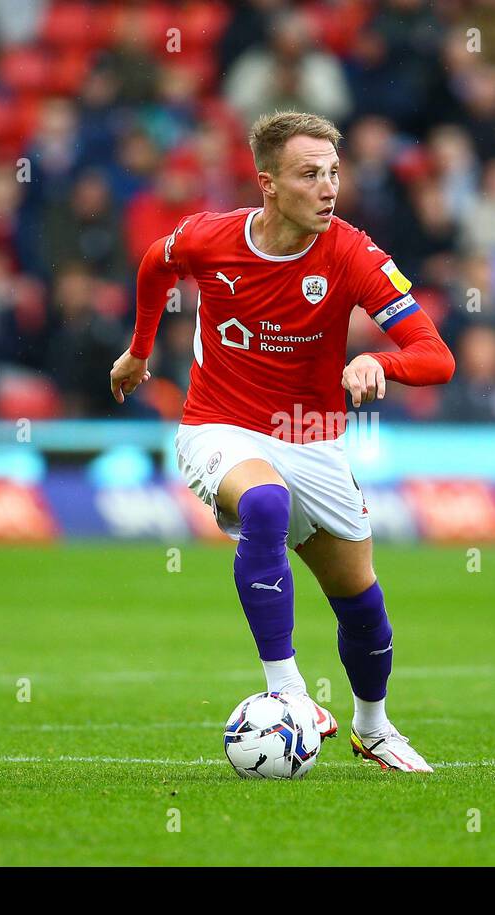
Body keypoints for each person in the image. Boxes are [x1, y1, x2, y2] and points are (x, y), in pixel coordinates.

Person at [111, 111, 455, 770]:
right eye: (308, 174)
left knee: (362, 605)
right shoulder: (213, 238)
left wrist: (379, 363)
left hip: (312, 439)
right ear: (268, 184)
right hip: (219, 424)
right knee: (264, 507)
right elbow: (156, 263)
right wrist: (138, 351)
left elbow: (436, 355)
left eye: (332, 172)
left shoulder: (352, 252)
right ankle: (289, 691)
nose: (327, 188)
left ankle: (373, 728)